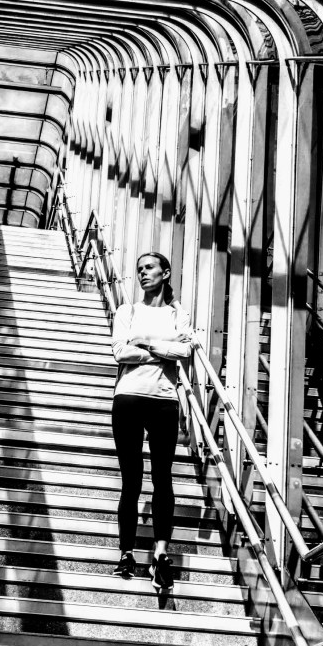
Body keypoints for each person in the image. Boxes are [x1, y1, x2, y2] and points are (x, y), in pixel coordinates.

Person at [111, 252, 192, 591]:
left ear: (165, 272)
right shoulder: (126, 311)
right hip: (128, 397)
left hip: (164, 401)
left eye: (149, 268)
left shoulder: (178, 314)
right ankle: (126, 553)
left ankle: (160, 555)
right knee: (132, 479)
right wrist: (162, 348)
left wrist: (141, 343)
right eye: (139, 268)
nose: (142, 273)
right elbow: (120, 352)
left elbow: (187, 351)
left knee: (163, 478)